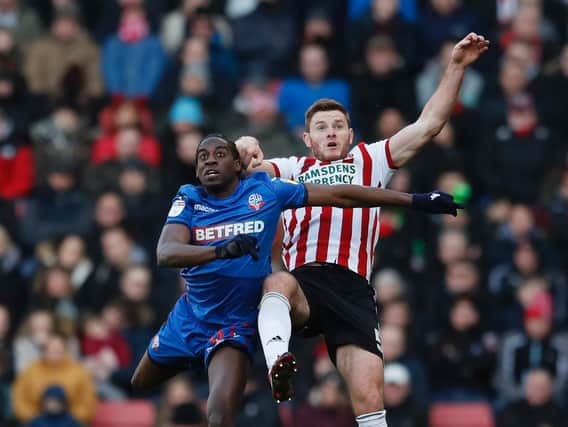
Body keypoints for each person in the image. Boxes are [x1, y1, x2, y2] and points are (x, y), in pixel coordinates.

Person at [236, 32, 489, 427]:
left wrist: (455, 66)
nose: (331, 132)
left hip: (354, 290)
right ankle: (277, 360)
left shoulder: (372, 159)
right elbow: (243, 169)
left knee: (371, 397)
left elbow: (429, 125)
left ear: (351, 135)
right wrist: (245, 141)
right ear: (308, 139)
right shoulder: (290, 168)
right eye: (322, 127)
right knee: (277, 283)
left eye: (339, 125)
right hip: (308, 281)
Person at [130, 134, 462, 427]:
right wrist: (222, 251)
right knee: (139, 383)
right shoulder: (189, 197)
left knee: (219, 416)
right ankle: (196, 355)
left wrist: (415, 201)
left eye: (219, 155)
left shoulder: (265, 192)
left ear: (236, 164)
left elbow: (341, 195)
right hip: (190, 315)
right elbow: (166, 252)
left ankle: (247, 357)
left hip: (232, 325)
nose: (210, 161)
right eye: (203, 157)